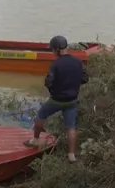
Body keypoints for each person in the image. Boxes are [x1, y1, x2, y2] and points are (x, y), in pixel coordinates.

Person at [24, 35, 89, 163]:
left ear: (57, 49)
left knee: (41, 116)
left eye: (52, 50)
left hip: (56, 99)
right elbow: (85, 78)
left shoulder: (56, 64)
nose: (52, 52)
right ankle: (71, 155)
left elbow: (48, 82)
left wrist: (53, 92)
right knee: (71, 127)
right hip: (72, 101)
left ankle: (36, 140)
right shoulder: (77, 62)